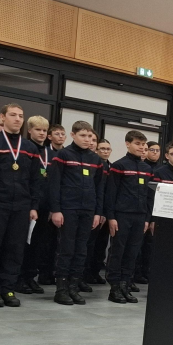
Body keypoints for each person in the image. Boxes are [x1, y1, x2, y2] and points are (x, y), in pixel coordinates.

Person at [0, 104, 40, 307]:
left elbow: (35, 180)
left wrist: (33, 205)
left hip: (21, 205)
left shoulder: (30, 148)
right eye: (13, 115)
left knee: (15, 248)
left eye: (21, 115)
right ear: (2, 118)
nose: (18, 119)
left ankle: (8, 288)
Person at [47, 121, 102, 306]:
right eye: (83, 136)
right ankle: (61, 289)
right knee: (67, 249)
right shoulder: (63, 155)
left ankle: (73, 287)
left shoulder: (96, 159)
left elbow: (99, 188)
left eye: (90, 137)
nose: (87, 140)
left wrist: (97, 212)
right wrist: (56, 210)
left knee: (81, 250)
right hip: (68, 208)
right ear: (73, 135)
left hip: (88, 210)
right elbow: (53, 184)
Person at [104, 130, 153, 304]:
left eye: (143, 145)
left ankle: (125, 285)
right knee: (118, 251)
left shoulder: (147, 169)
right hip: (121, 215)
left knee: (132, 252)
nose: (141, 148)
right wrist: (111, 217)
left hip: (140, 217)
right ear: (127, 144)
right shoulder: (119, 166)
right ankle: (115, 287)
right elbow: (110, 193)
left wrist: (147, 218)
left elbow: (149, 196)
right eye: (137, 144)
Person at [17, 115, 55, 295]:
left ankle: (30, 277)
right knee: (23, 242)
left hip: (45, 206)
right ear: (29, 130)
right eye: (38, 129)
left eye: (44, 130)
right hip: (27, 203)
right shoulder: (23, 149)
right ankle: (19, 278)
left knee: (38, 243)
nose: (41, 133)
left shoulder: (52, 153)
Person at [132, 140, 163, 286]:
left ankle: (145, 273)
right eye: (151, 150)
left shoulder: (160, 169)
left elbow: (153, 197)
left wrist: (151, 218)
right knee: (135, 247)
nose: (154, 153)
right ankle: (133, 275)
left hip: (149, 213)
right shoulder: (143, 167)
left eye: (157, 150)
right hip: (133, 211)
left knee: (148, 247)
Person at [84, 139, 113, 285]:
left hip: (108, 211)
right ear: (96, 150)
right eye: (102, 148)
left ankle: (95, 272)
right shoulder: (95, 165)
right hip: (95, 210)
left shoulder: (112, 167)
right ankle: (86, 273)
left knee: (101, 245)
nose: (105, 151)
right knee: (90, 244)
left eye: (108, 149)